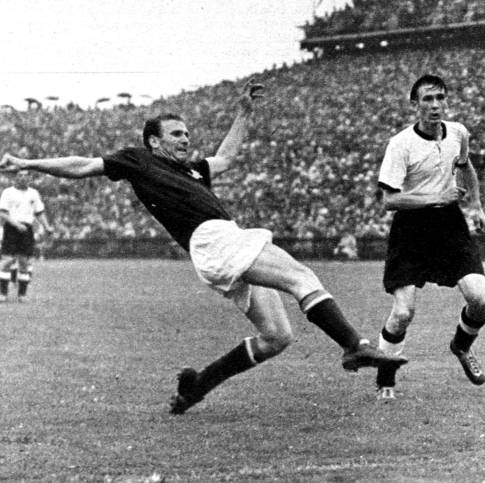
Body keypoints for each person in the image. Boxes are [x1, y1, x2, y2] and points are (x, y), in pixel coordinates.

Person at [0, 79, 407, 414]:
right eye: (176, 134)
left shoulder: (194, 170)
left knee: (277, 338)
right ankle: (354, 347)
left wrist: (244, 113)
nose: (185, 139)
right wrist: (28, 164)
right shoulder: (139, 161)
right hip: (214, 239)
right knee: (303, 276)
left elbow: (227, 156)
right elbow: (83, 165)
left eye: (187, 134)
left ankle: (196, 386)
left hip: (219, 247)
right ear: (153, 142)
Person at [374, 74, 485, 401]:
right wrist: (436, 197)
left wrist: (477, 205)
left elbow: (466, 166)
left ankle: (461, 346)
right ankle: (386, 377)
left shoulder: (457, 133)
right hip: (411, 229)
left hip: (449, 226)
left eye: (439, 97)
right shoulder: (400, 144)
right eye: (427, 99)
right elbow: (389, 201)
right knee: (403, 313)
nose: (434, 105)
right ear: (415, 104)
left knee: (480, 299)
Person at [0, 171, 53, 302]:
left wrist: (47, 226)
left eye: (26, 175)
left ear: (30, 178)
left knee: (24, 262)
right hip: (11, 228)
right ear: (15, 178)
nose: (23, 178)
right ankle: (2, 294)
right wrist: (16, 224)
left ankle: (22, 295)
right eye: (20, 175)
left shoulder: (33, 193)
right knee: (7, 261)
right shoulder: (8, 192)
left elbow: (39, 212)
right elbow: (3, 213)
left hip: (27, 229)